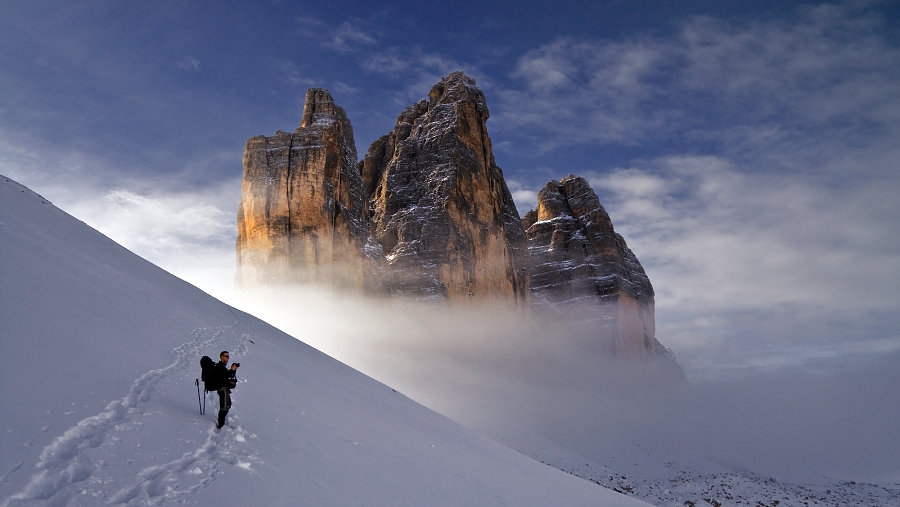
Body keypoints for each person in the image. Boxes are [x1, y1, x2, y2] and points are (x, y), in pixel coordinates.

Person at [213, 351, 239, 429]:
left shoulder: (223, 367)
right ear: (221, 357)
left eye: (228, 356)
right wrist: (231, 370)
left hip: (225, 389)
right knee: (224, 407)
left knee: (228, 405)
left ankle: (221, 422)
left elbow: (229, 376)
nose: (228, 358)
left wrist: (233, 370)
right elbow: (224, 377)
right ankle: (220, 425)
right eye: (226, 356)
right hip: (222, 388)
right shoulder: (219, 366)